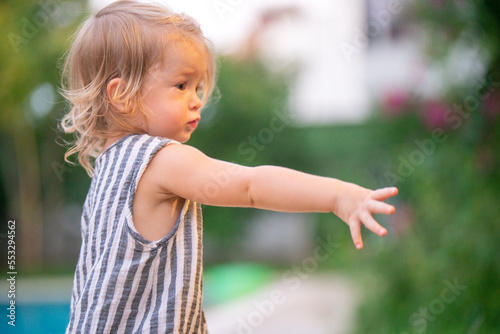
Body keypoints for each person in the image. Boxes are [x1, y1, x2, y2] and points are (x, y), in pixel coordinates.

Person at [60, 1, 398, 333]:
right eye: (181, 85)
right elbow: (251, 186)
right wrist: (337, 195)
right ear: (122, 95)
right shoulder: (162, 159)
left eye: (198, 87)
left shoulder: (107, 169)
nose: (196, 99)